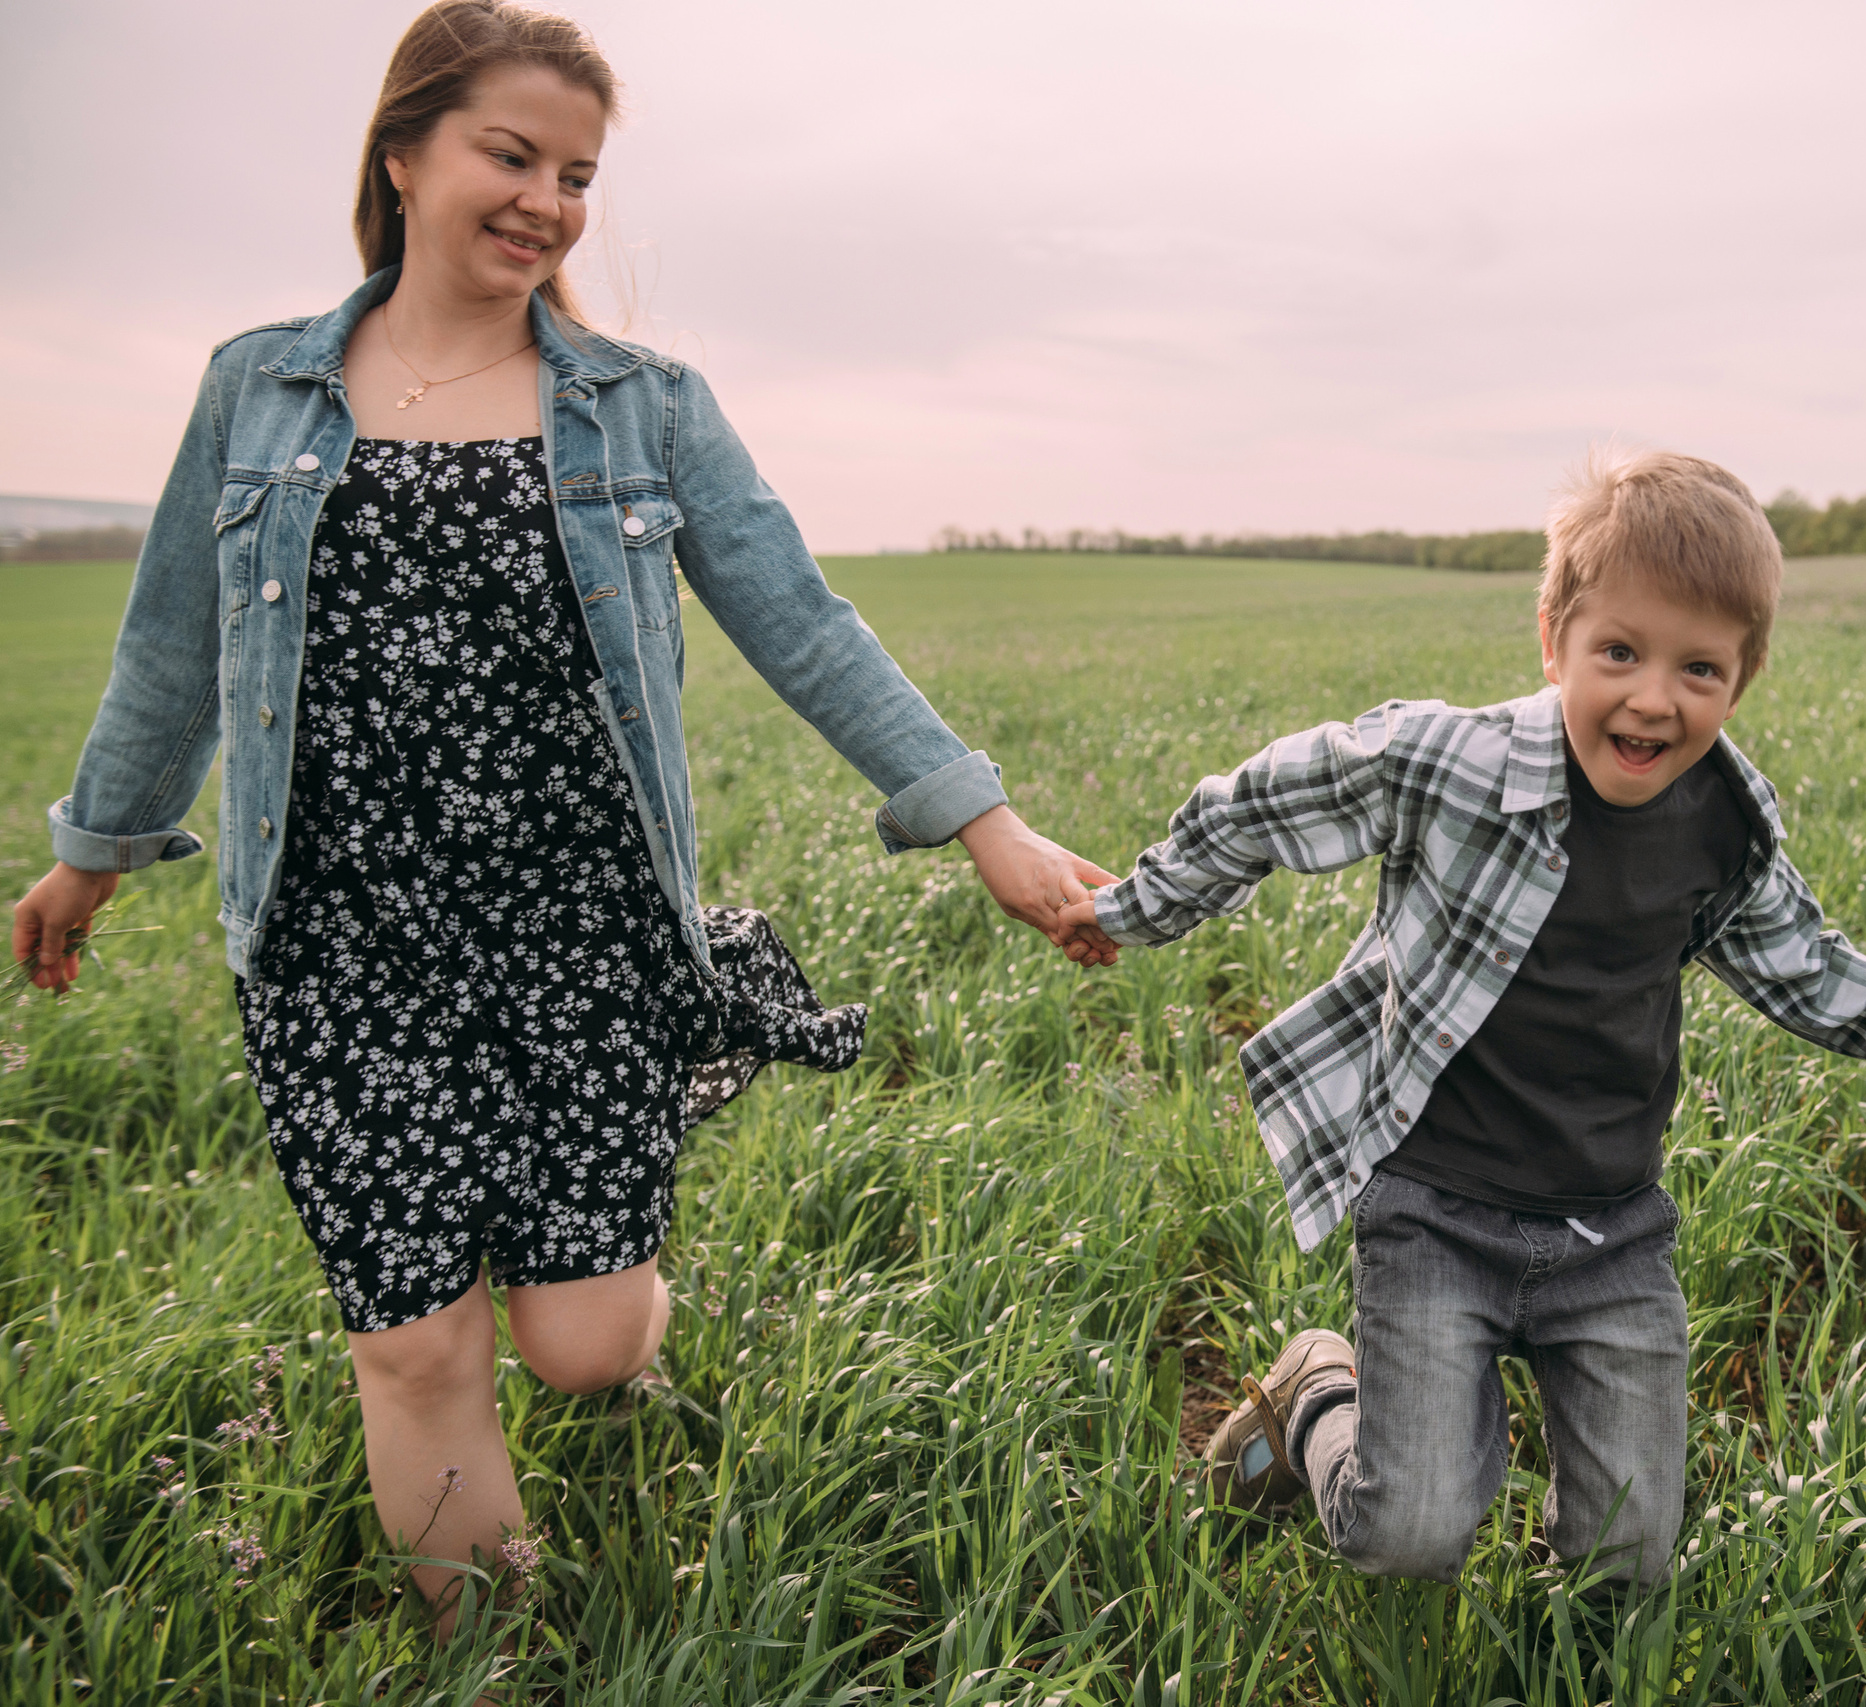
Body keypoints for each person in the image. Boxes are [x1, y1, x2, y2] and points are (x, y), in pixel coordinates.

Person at [8, 0, 1112, 1632]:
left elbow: (804, 621)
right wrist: (92, 851)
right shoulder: (258, 389)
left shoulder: (638, 405)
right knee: (412, 1340)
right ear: (404, 153)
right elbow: (175, 638)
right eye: (509, 153)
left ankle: (640, 1232)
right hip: (341, 937)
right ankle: (497, 1652)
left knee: (583, 1344)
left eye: (577, 173)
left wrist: (986, 825)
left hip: (582, 922)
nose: (546, 200)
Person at [1056, 450, 1866, 1587]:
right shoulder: (1442, 762)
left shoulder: (1724, 830)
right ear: (1553, 635)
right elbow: (1265, 798)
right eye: (1619, 653)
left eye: (1698, 667)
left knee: (1628, 1562)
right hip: (1433, 1210)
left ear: (1740, 680)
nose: (1654, 697)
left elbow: (1808, 969)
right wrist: (1134, 908)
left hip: (1610, 1232)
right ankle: (1318, 1401)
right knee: (1410, 1536)